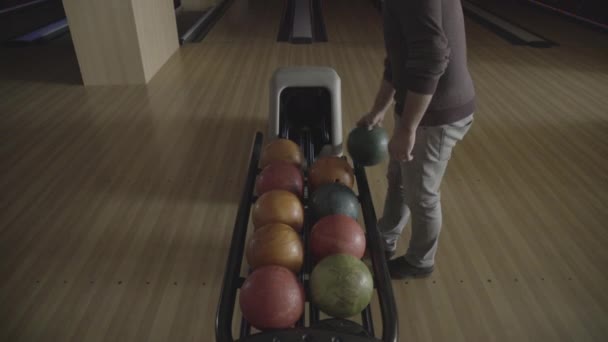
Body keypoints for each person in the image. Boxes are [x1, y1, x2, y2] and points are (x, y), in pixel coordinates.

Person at [357, 0, 476, 279]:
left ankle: (420, 262)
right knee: (398, 177)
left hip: (434, 113)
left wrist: (408, 128)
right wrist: (379, 111)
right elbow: (399, 58)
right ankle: (385, 238)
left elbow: (432, 57)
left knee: (421, 194)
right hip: (421, 102)